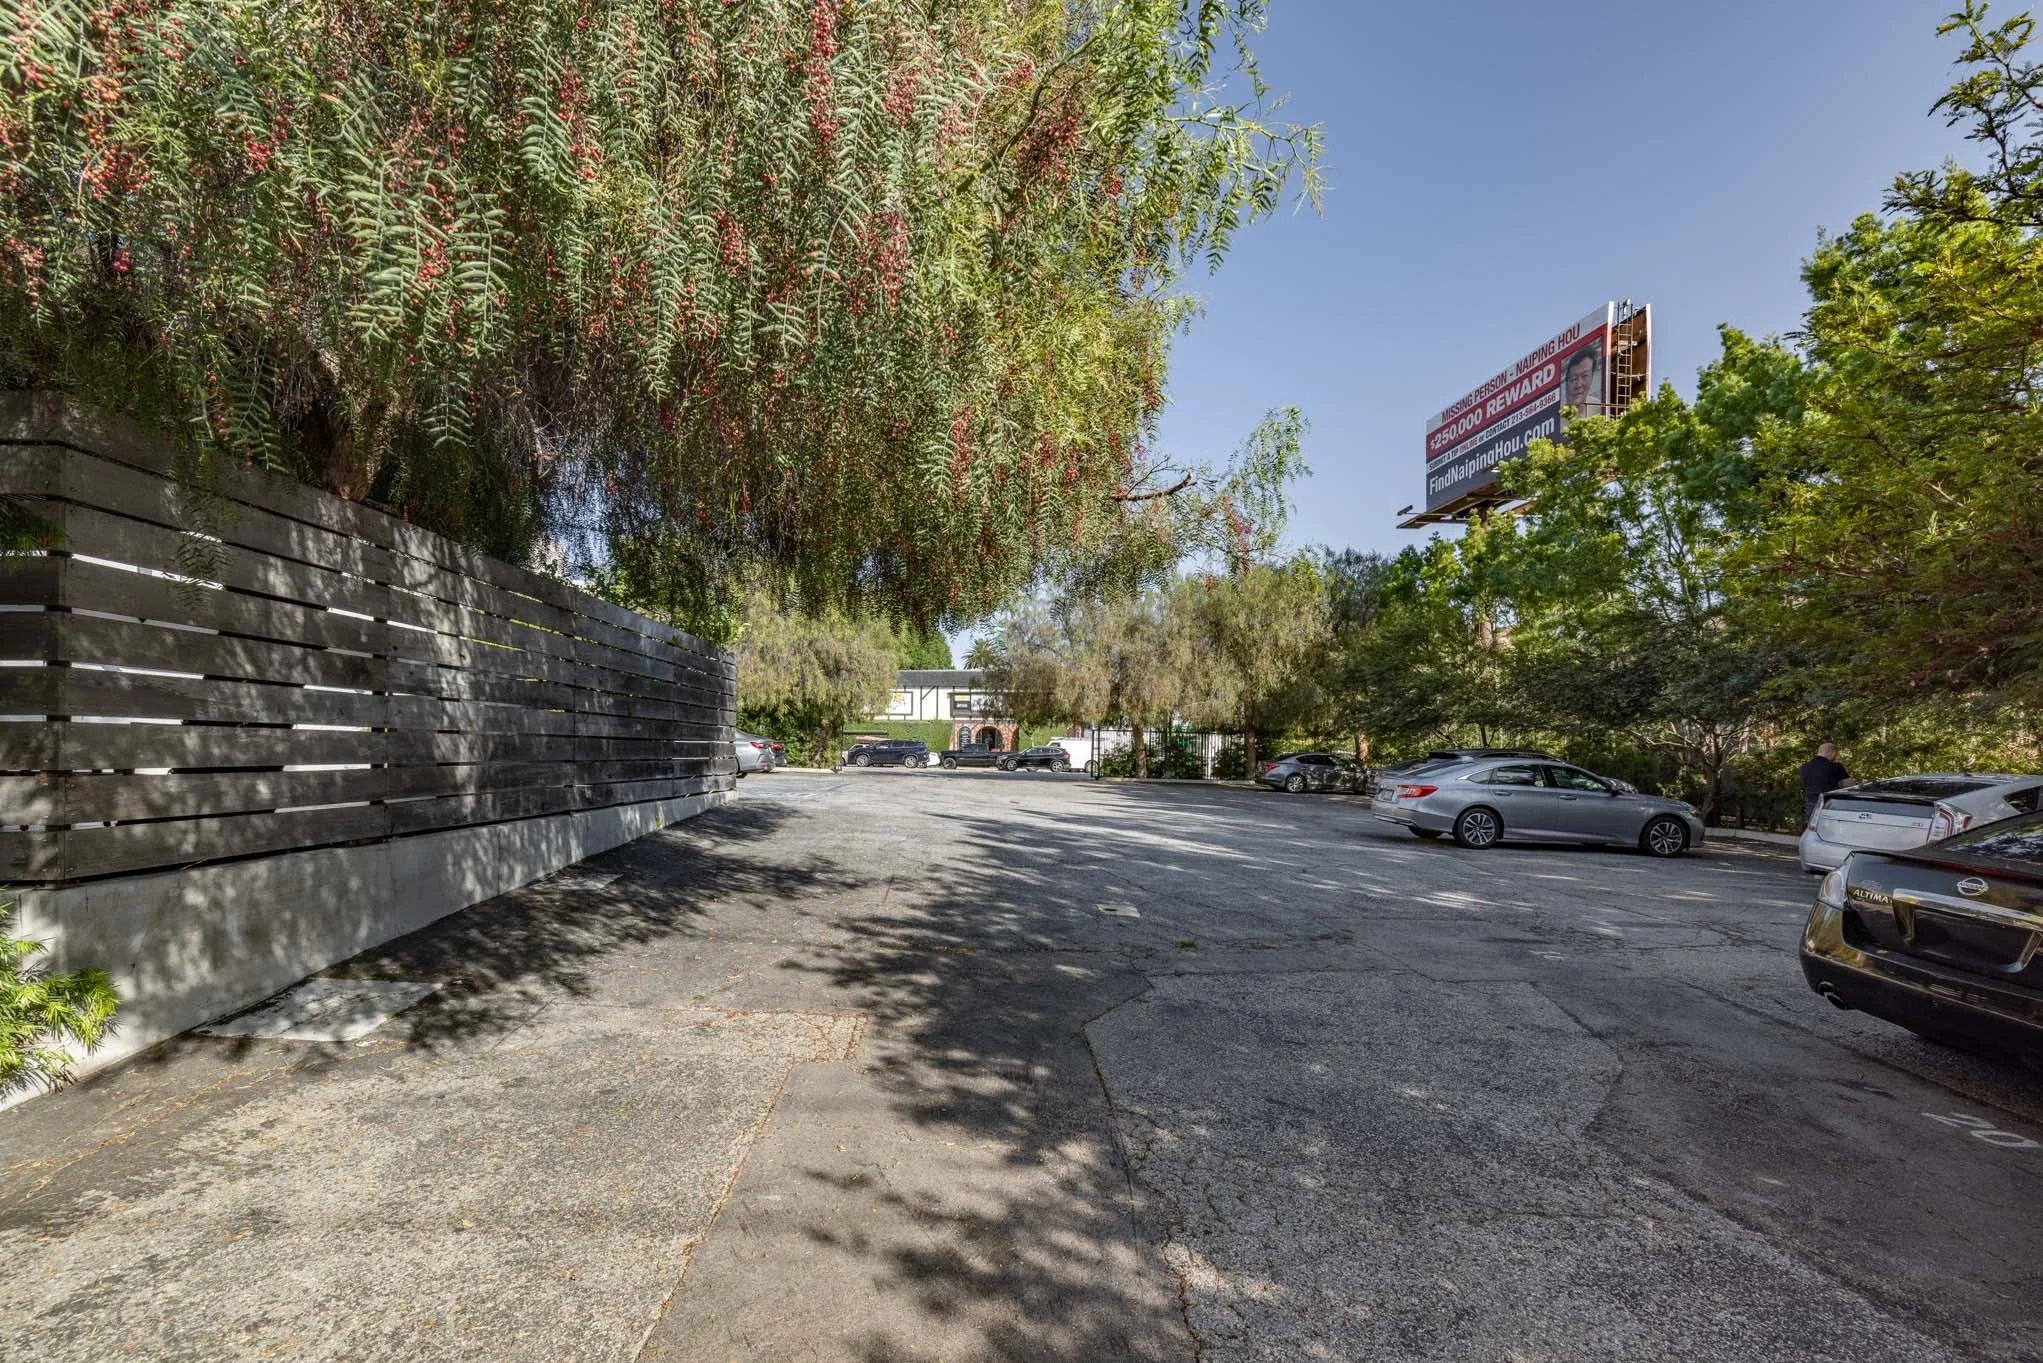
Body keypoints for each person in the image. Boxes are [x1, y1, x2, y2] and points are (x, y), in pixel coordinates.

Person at [1799, 743, 1850, 825]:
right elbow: (1849, 786)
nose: (1835, 757)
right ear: (1832, 753)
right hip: (1830, 805)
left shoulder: (1804, 767)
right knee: (1831, 832)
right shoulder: (1836, 766)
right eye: (1835, 755)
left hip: (1811, 804)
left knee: (1814, 831)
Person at [1559, 346, 1603, 429]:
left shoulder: (1598, 407)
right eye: (1574, 379)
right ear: (1566, 383)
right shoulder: (1556, 419)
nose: (1579, 384)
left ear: (1591, 378)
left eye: (1585, 376)